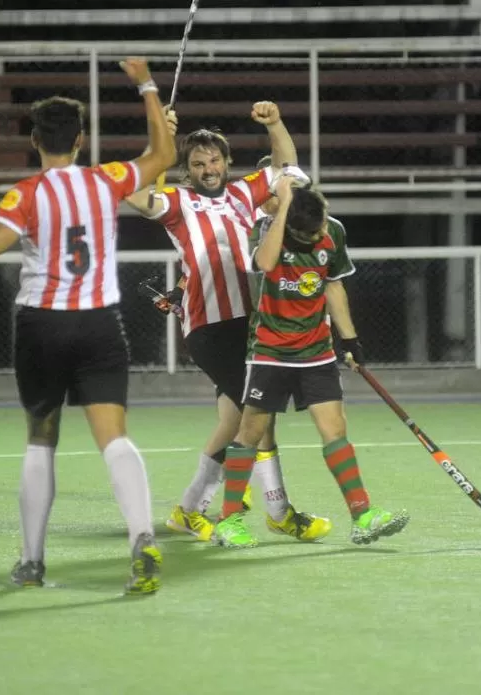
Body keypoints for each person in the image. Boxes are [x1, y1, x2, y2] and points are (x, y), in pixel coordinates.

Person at [0, 57, 177, 594]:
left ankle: (32, 561)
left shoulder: (25, 195)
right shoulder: (107, 180)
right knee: (114, 438)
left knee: (41, 440)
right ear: (81, 138)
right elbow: (165, 154)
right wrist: (147, 86)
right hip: (99, 325)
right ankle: (140, 535)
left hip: (42, 328)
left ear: (32, 141)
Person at [125, 104, 331, 548]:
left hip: (251, 323)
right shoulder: (178, 203)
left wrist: (275, 124)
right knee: (256, 415)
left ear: (225, 162)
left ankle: (196, 510)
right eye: (197, 163)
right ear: (188, 169)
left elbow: (285, 166)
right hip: (209, 327)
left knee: (241, 419)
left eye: (214, 160)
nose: (208, 168)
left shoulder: (243, 195)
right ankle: (269, 512)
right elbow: (133, 192)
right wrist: (159, 141)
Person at [229, 174, 410, 544]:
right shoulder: (267, 232)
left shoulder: (332, 230)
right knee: (249, 434)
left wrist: (350, 339)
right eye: (311, 234)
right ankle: (229, 521)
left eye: (322, 227)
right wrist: (280, 212)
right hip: (270, 351)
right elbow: (263, 263)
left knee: (336, 431)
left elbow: (333, 283)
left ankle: (363, 516)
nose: (319, 236)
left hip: (316, 351)